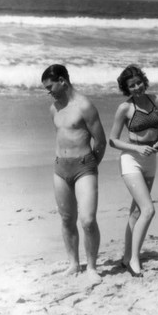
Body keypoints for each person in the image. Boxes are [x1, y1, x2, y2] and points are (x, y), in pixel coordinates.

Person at [41, 64, 106, 284]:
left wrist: (90, 165)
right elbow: (62, 136)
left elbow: (101, 141)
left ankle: (92, 267)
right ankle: (73, 263)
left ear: (62, 80)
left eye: (50, 87)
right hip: (60, 168)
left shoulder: (85, 105)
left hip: (84, 167)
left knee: (87, 220)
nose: (48, 91)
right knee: (67, 219)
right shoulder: (54, 108)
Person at [109, 65, 158, 277]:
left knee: (136, 212)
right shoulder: (125, 108)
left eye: (139, 82)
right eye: (131, 86)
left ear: (144, 80)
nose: (137, 88)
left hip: (151, 160)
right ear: (126, 88)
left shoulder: (156, 100)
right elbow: (113, 140)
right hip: (131, 160)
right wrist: (137, 148)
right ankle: (134, 259)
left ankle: (126, 256)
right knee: (148, 210)